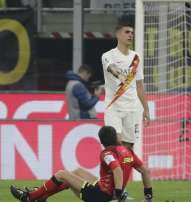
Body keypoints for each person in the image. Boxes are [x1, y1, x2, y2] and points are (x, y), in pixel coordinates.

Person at [9, 126, 153, 202]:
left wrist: (117, 194)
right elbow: (145, 171)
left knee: (61, 174)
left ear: (102, 142)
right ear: (115, 138)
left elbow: (117, 171)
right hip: (106, 190)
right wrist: (148, 197)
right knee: (77, 172)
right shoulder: (128, 152)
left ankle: (30, 197)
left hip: (102, 197)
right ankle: (42, 197)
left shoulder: (107, 153)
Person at [101, 20, 149, 149]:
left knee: (128, 148)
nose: (130, 35)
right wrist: (120, 76)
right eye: (127, 32)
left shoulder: (136, 58)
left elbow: (139, 85)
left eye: (132, 33)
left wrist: (146, 109)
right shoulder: (107, 55)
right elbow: (111, 67)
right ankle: (114, 168)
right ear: (118, 34)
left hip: (132, 108)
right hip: (113, 107)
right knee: (115, 142)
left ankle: (125, 167)